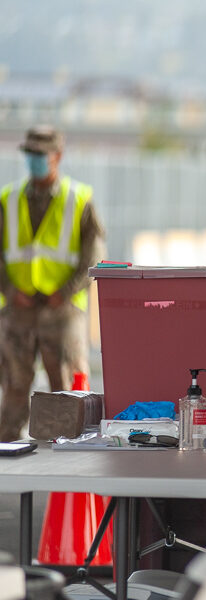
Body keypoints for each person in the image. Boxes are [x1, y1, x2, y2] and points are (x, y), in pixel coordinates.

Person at [0, 125, 105, 441]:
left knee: (68, 390)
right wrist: (10, 290)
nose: (34, 160)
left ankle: (68, 454)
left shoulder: (79, 199)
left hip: (62, 312)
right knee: (13, 387)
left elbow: (93, 255)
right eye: (30, 153)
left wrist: (67, 292)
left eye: (40, 154)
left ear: (57, 156)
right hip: (18, 310)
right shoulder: (8, 199)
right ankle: (7, 450)